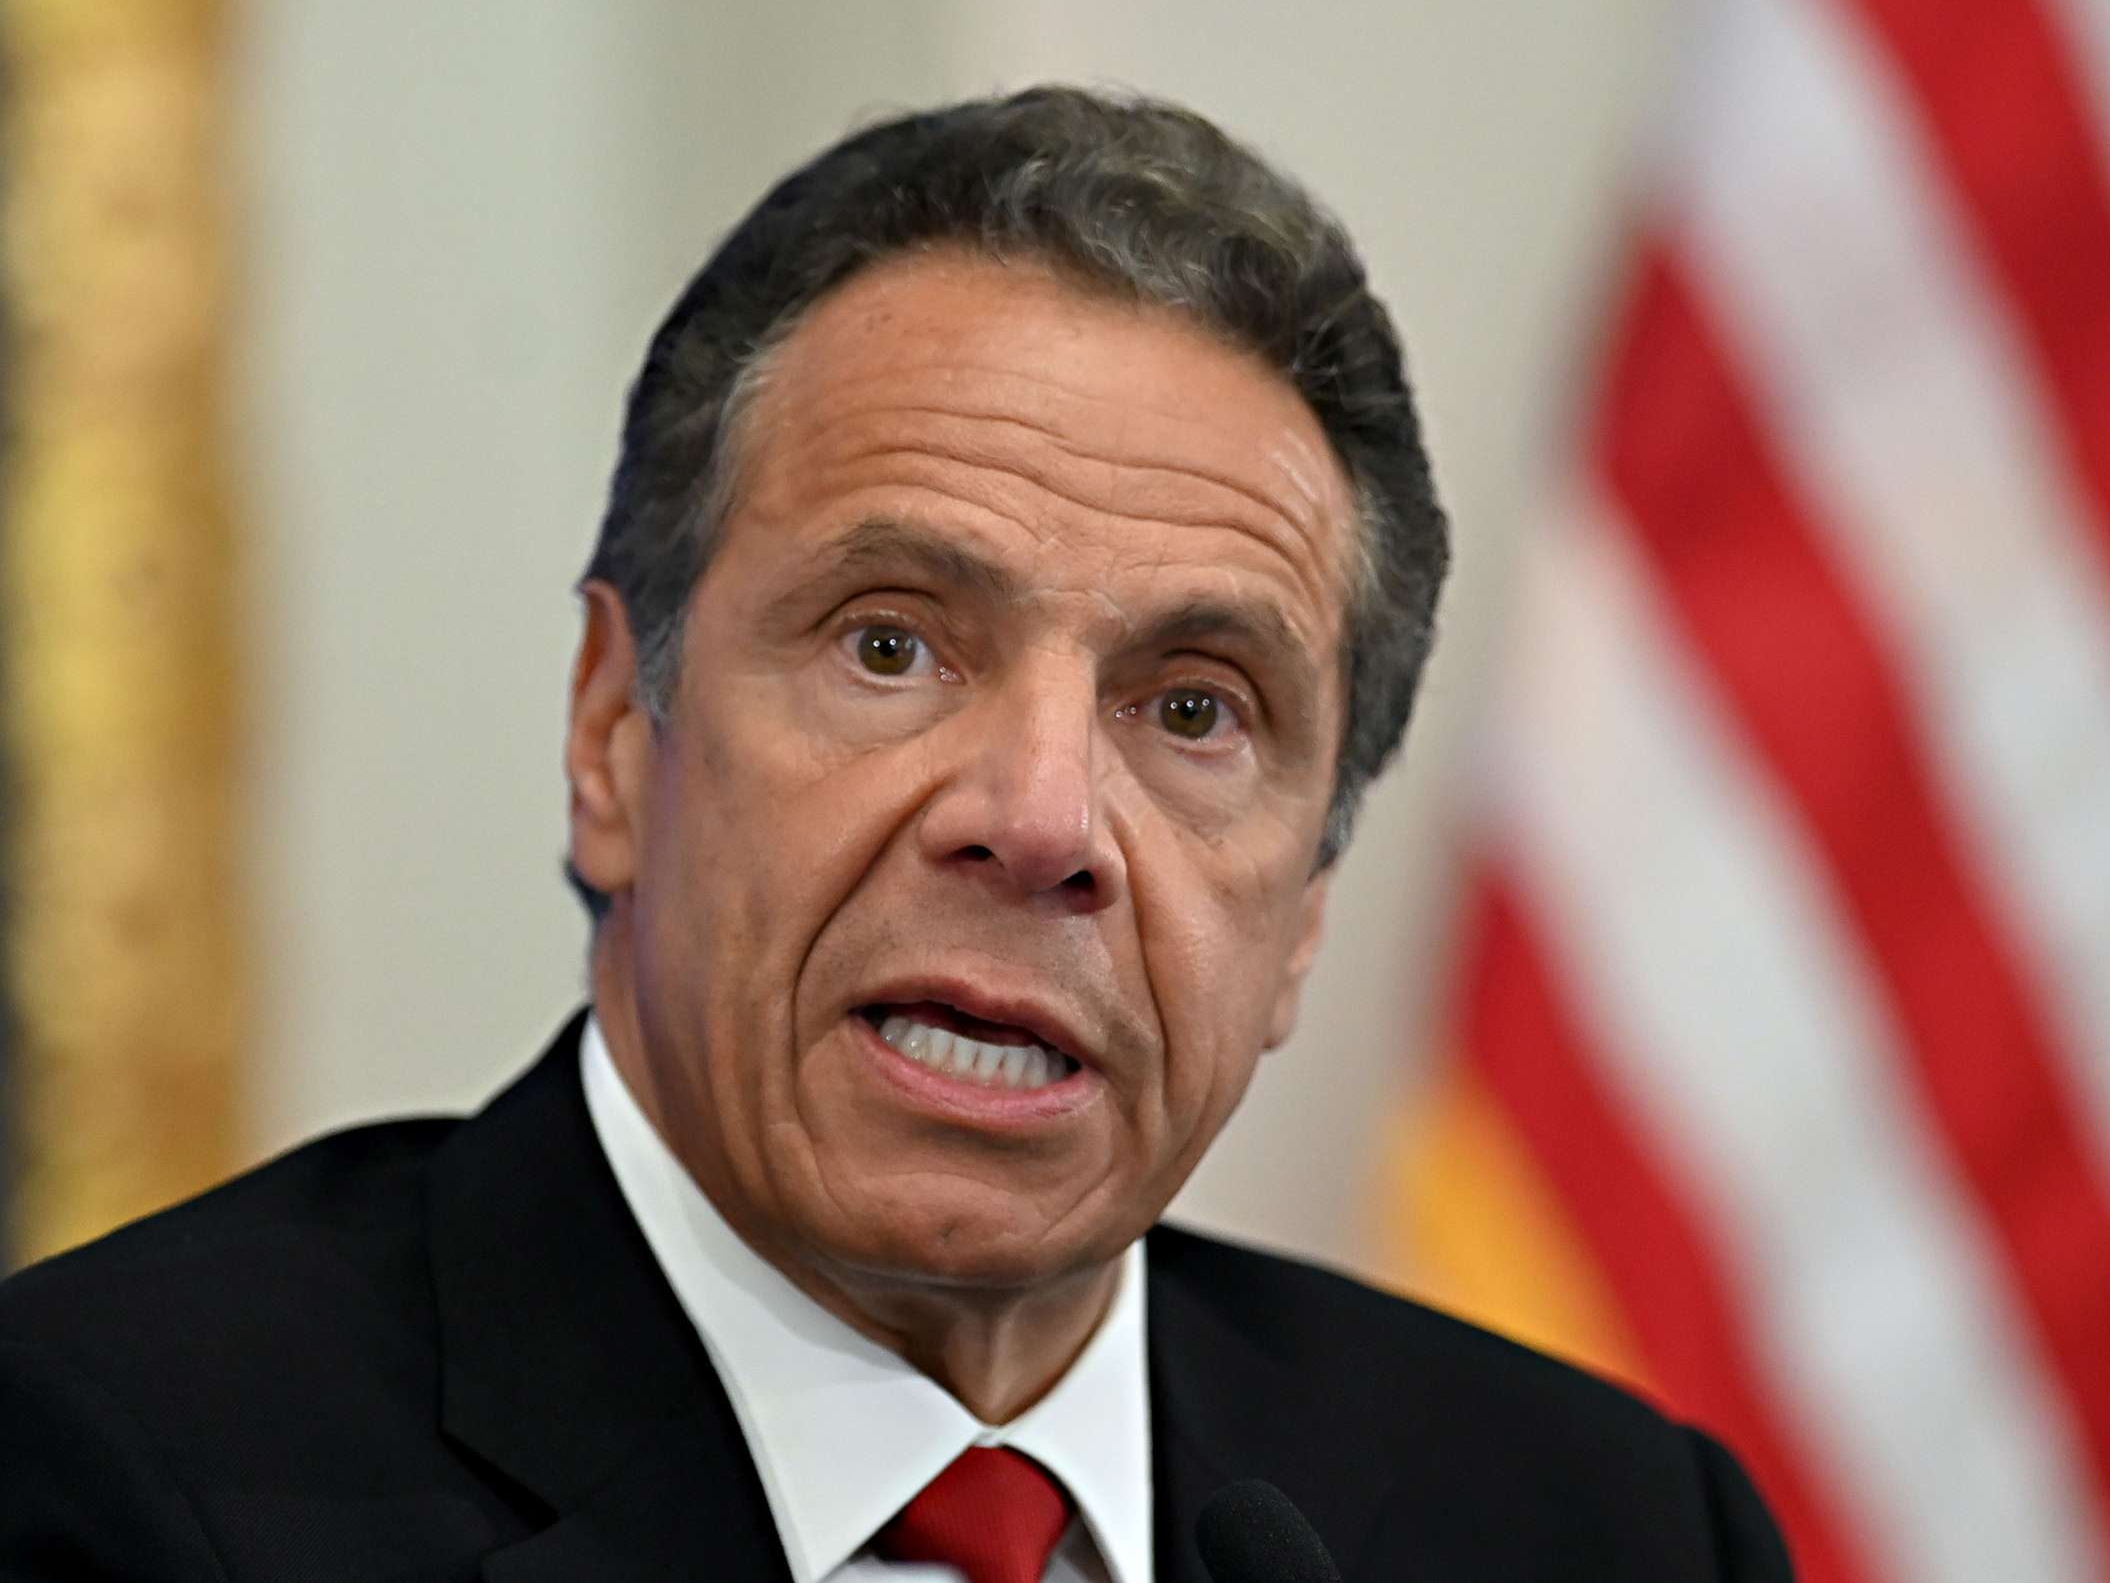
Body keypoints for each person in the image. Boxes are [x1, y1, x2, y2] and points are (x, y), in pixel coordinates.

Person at [0, 87, 1790, 1582]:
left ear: (1305, 918)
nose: (1038, 823)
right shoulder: (104, 1484)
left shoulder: (1607, 1533)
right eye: (892, 644)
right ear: (616, 738)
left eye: (1192, 709)